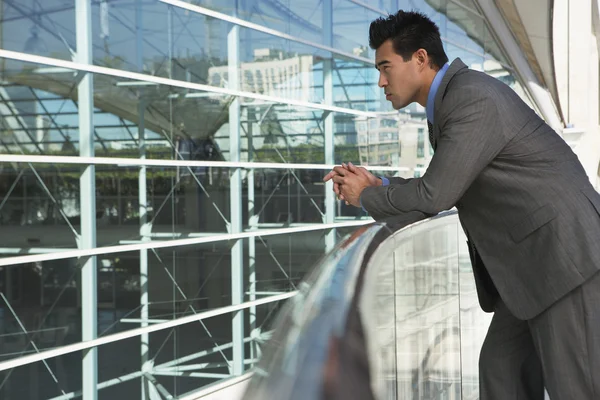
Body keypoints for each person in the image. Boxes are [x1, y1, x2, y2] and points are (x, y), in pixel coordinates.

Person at [323, 10, 600, 400]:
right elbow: (445, 182)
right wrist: (379, 183)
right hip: (531, 268)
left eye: (385, 67)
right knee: (501, 369)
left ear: (420, 59)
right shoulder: (453, 102)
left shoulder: (471, 99)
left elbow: (436, 194)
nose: (381, 81)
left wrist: (365, 195)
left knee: (578, 387)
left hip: (564, 261)